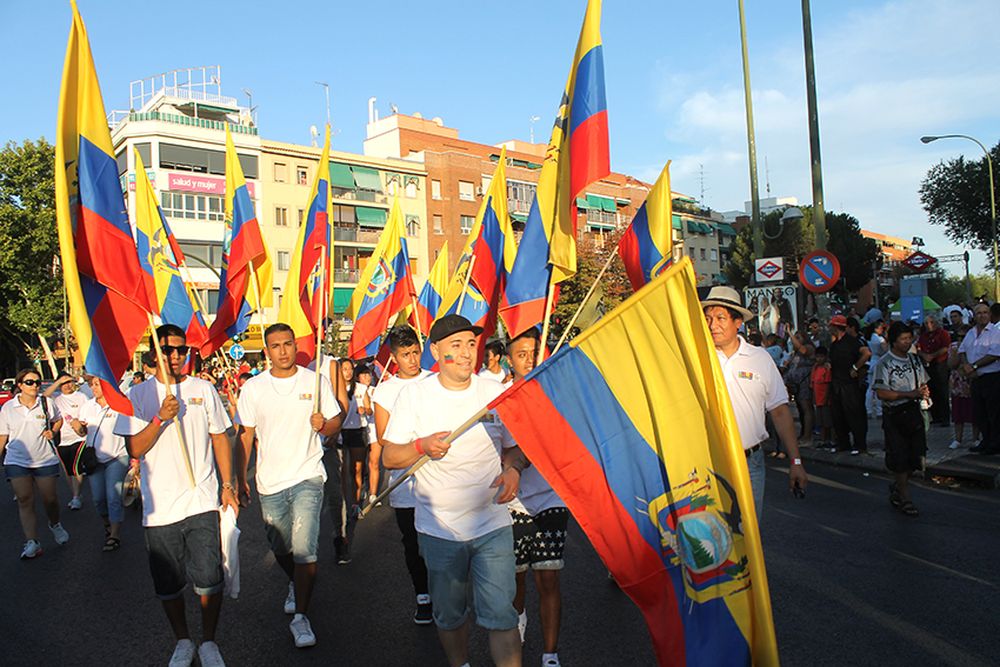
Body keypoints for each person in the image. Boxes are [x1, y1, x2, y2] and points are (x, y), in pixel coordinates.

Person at [382, 314, 526, 667]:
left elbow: (517, 447)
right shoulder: (415, 396)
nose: (466, 353)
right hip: (439, 530)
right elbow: (389, 456)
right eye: (456, 345)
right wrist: (420, 446)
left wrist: (513, 469)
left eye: (472, 344)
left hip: (492, 525)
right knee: (449, 616)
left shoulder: (494, 394)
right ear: (436, 351)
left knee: (502, 617)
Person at [114, 324, 239, 667]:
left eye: (181, 350)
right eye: (167, 350)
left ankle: (209, 642)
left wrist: (227, 486)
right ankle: (183, 640)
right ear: (153, 354)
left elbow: (219, 436)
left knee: (209, 576)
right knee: (168, 583)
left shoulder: (203, 388)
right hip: (159, 508)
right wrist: (160, 418)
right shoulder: (137, 396)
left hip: (201, 499)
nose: (174, 356)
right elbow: (135, 447)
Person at [235, 323, 343, 648]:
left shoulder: (315, 381)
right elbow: (246, 435)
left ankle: (301, 618)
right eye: (275, 346)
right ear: (266, 351)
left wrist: (325, 424)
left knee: (306, 547)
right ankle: (295, 581)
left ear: (296, 346)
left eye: (287, 344)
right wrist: (239, 478)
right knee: (281, 547)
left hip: (308, 475)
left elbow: (336, 422)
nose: (283, 351)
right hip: (270, 481)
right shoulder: (253, 388)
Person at [701, 286, 808, 516]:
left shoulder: (760, 359)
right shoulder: (697, 358)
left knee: (749, 535)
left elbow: (779, 411)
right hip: (706, 463)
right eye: (708, 318)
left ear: (738, 322)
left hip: (750, 462)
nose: (712, 325)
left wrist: (796, 462)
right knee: (711, 539)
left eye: (720, 318)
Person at [505, 327, 568, 667]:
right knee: (516, 579)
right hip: (512, 503)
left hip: (552, 499)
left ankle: (550, 653)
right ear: (509, 359)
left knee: (548, 577)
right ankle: (517, 629)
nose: (529, 359)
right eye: (521, 354)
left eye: (534, 352)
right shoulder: (500, 398)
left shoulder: (557, 394)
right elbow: (498, 451)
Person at [372, 325, 434, 625]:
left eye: (415, 352)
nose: (412, 359)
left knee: (439, 539)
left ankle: (441, 592)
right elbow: (384, 437)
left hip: (437, 476)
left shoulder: (435, 381)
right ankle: (422, 595)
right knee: (412, 542)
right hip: (404, 481)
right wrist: (417, 444)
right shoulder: (384, 390)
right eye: (405, 355)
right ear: (394, 357)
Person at [0, 369, 70, 559]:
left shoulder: (46, 403)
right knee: (24, 499)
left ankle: (54, 524)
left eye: (37, 382)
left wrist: (53, 431)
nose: (35, 386)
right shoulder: (8, 408)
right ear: (20, 385)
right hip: (16, 459)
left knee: (50, 499)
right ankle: (32, 541)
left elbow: (58, 420)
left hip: (44, 458)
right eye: (30, 382)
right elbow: (3, 436)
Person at [873, 322, 930, 517]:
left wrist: (923, 393)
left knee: (916, 458)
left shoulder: (915, 360)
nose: (907, 343)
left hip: (914, 413)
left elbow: (923, 382)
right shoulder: (884, 363)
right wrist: (908, 394)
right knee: (899, 458)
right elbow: (881, 393)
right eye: (903, 339)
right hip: (895, 414)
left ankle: (898, 485)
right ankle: (905, 498)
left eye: (909, 339)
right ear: (893, 342)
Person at [79, 375, 130, 552]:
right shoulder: (87, 406)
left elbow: (130, 429)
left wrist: (136, 460)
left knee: (113, 496)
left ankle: (115, 534)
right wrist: (78, 426)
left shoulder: (119, 404)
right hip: (94, 459)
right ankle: (107, 524)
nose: (94, 388)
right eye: (91, 385)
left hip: (117, 456)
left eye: (97, 384)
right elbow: (82, 432)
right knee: (98, 499)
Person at [958, 303, 1000, 454]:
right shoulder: (970, 333)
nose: (982, 315)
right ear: (974, 316)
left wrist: (974, 366)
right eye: (979, 313)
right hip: (975, 379)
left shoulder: (995, 332)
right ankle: (985, 440)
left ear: (990, 315)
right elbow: (962, 351)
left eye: (985, 312)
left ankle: (995, 443)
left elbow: (995, 354)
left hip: (991, 377)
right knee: (979, 412)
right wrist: (966, 366)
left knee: (993, 412)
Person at [828, 315, 871, 455]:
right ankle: (843, 443)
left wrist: (855, 368)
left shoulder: (852, 342)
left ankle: (860, 445)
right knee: (838, 415)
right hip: (836, 384)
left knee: (854, 414)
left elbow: (866, 354)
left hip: (849, 385)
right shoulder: (834, 345)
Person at [50, 373, 88, 510]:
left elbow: (88, 413)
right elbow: (43, 398)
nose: (68, 385)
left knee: (76, 467)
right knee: (67, 471)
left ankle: (76, 497)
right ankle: (75, 495)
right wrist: (58, 382)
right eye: (64, 383)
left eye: (70, 382)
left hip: (79, 438)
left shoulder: (81, 397)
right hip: (62, 440)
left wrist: (80, 424)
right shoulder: (55, 399)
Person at [916, 315, 951, 426]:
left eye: (931, 322)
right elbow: (918, 348)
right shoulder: (923, 336)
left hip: (941, 363)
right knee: (932, 390)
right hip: (928, 365)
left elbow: (946, 347)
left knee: (942, 391)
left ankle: (945, 417)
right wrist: (924, 355)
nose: (929, 325)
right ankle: (936, 416)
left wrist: (932, 355)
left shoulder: (943, 333)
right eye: (926, 323)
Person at [948, 326, 978, 449]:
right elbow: (951, 365)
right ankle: (957, 439)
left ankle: (976, 438)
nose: (962, 339)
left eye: (964, 336)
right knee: (957, 412)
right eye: (959, 336)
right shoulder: (954, 347)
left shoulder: (976, 345)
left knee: (974, 412)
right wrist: (959, 352)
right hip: (957, 383)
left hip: (971, 382)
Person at [784, 331, 815, 446]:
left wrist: (790, 335)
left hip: (804, 383)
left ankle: (808, 436)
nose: (794, 340)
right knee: (801, 410)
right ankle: (803, 433)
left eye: (798, 337)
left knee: (807, 409)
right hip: (795, 385)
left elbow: (803, 349)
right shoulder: (795, 354)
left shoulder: (808, 348)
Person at [865, 320, 888, 418]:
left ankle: (868, 410)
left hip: (871, 361)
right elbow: (886, 350)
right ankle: (879, 411)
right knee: (879, 386)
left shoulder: (868, 338)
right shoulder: (880, 339)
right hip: (879, 361)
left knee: (870, 388)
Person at [811, 347, 833, 448]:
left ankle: (831, 439)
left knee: (828, 421)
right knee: (820, 422)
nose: (819, 359)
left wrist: (826, 398)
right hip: (817, 398)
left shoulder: (826, 368)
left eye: (821, 357)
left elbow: (828, 384)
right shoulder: (815, 368)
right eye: (817, 357)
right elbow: (812, 383)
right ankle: (823, 440)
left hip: (825, 399)